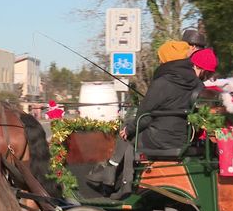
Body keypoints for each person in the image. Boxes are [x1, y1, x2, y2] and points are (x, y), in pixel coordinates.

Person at [88, 48, 218, 199]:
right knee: (132, 130)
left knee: (129, 137)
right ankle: (112, 178)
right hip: (183, 137)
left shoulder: (165, 81)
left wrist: (130, 128)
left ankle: (120, 183)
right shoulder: (198, 86)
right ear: (200, 68)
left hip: (162, 138)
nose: (207, 77)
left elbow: (146, 113)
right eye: (208, 74)